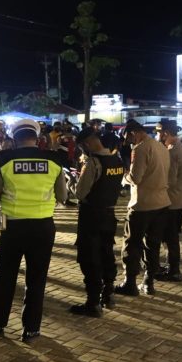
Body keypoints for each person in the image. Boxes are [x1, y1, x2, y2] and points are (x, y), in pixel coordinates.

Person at [0, 119, 67, 342]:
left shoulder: (5, 159)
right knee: (37, 279)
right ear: (37, 138)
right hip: (43, 226)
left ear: (15, 139)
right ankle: (31, 329)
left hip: (12, 227)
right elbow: (63, 196)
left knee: (5, 277)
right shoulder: (53, 160)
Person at [68, 127, 124, 317]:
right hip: (109, 214)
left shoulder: (93, 163)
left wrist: (71, 181)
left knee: (89, 257)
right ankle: (108, 294)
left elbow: (80, 193)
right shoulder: (117, 160)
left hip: (91, 216)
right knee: (106, 252)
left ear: (87, 144)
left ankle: (93, 302)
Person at [114, 120, 171, 296]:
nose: (129, 142)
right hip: (162, 203)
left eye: (128, 138)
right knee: (153, 245)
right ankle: (148, 282)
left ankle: (130, 283)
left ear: (134, 133)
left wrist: (124, 178)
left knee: (132, 244)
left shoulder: (140, 149)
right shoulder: (161, 146)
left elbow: (135, 177)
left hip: (142, 205)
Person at [155, 120, 182, 283]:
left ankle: (174, 271)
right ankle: (172, 268)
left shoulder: (172, 152)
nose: (157, 136)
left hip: (171, 202)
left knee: (170, 239)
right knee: (171, 237)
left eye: (158, 132)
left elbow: (168, 181)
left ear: (166, 133)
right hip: (180, 200)